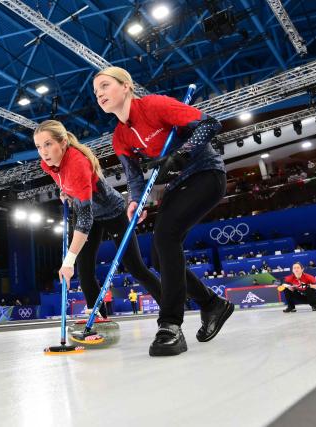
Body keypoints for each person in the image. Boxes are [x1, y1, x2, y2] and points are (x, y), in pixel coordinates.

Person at [93, 66, 233, 356]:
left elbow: (210, 124)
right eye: (96, 92)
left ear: (127, 86)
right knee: (158, 255)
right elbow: (133, 177)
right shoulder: (119, 137)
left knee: (166, 236)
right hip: (178, 185)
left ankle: (170, 324)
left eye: (105, 86)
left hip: (206, 173)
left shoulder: (154, 105)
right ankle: (211, 304)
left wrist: (180, 154)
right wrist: (135, 200)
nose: (99, 94)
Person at [34, 120, 163, 321]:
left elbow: (84, 220)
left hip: (112, 212)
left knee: (135, 267)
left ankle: (170, 304)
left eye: (48, 144)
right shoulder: (47, 164)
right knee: (84, 273)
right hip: (85, 210)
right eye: (39, 146)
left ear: (64, 142)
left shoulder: (78, 163)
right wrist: (66, 192)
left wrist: (67, 261)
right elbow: (66, 182)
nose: (43, 151)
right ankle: (99, 317)